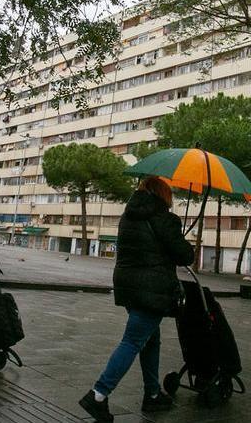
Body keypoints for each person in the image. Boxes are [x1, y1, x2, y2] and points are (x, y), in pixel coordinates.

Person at [79, 177, 193, 422]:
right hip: (152, 289)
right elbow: (185, 256)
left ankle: (152, 394)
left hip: (129, 287)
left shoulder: (128, 215)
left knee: (151, 339)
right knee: (132, 341)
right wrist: (181, 237)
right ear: (164, 195)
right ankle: (98, 395)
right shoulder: (165, 219)